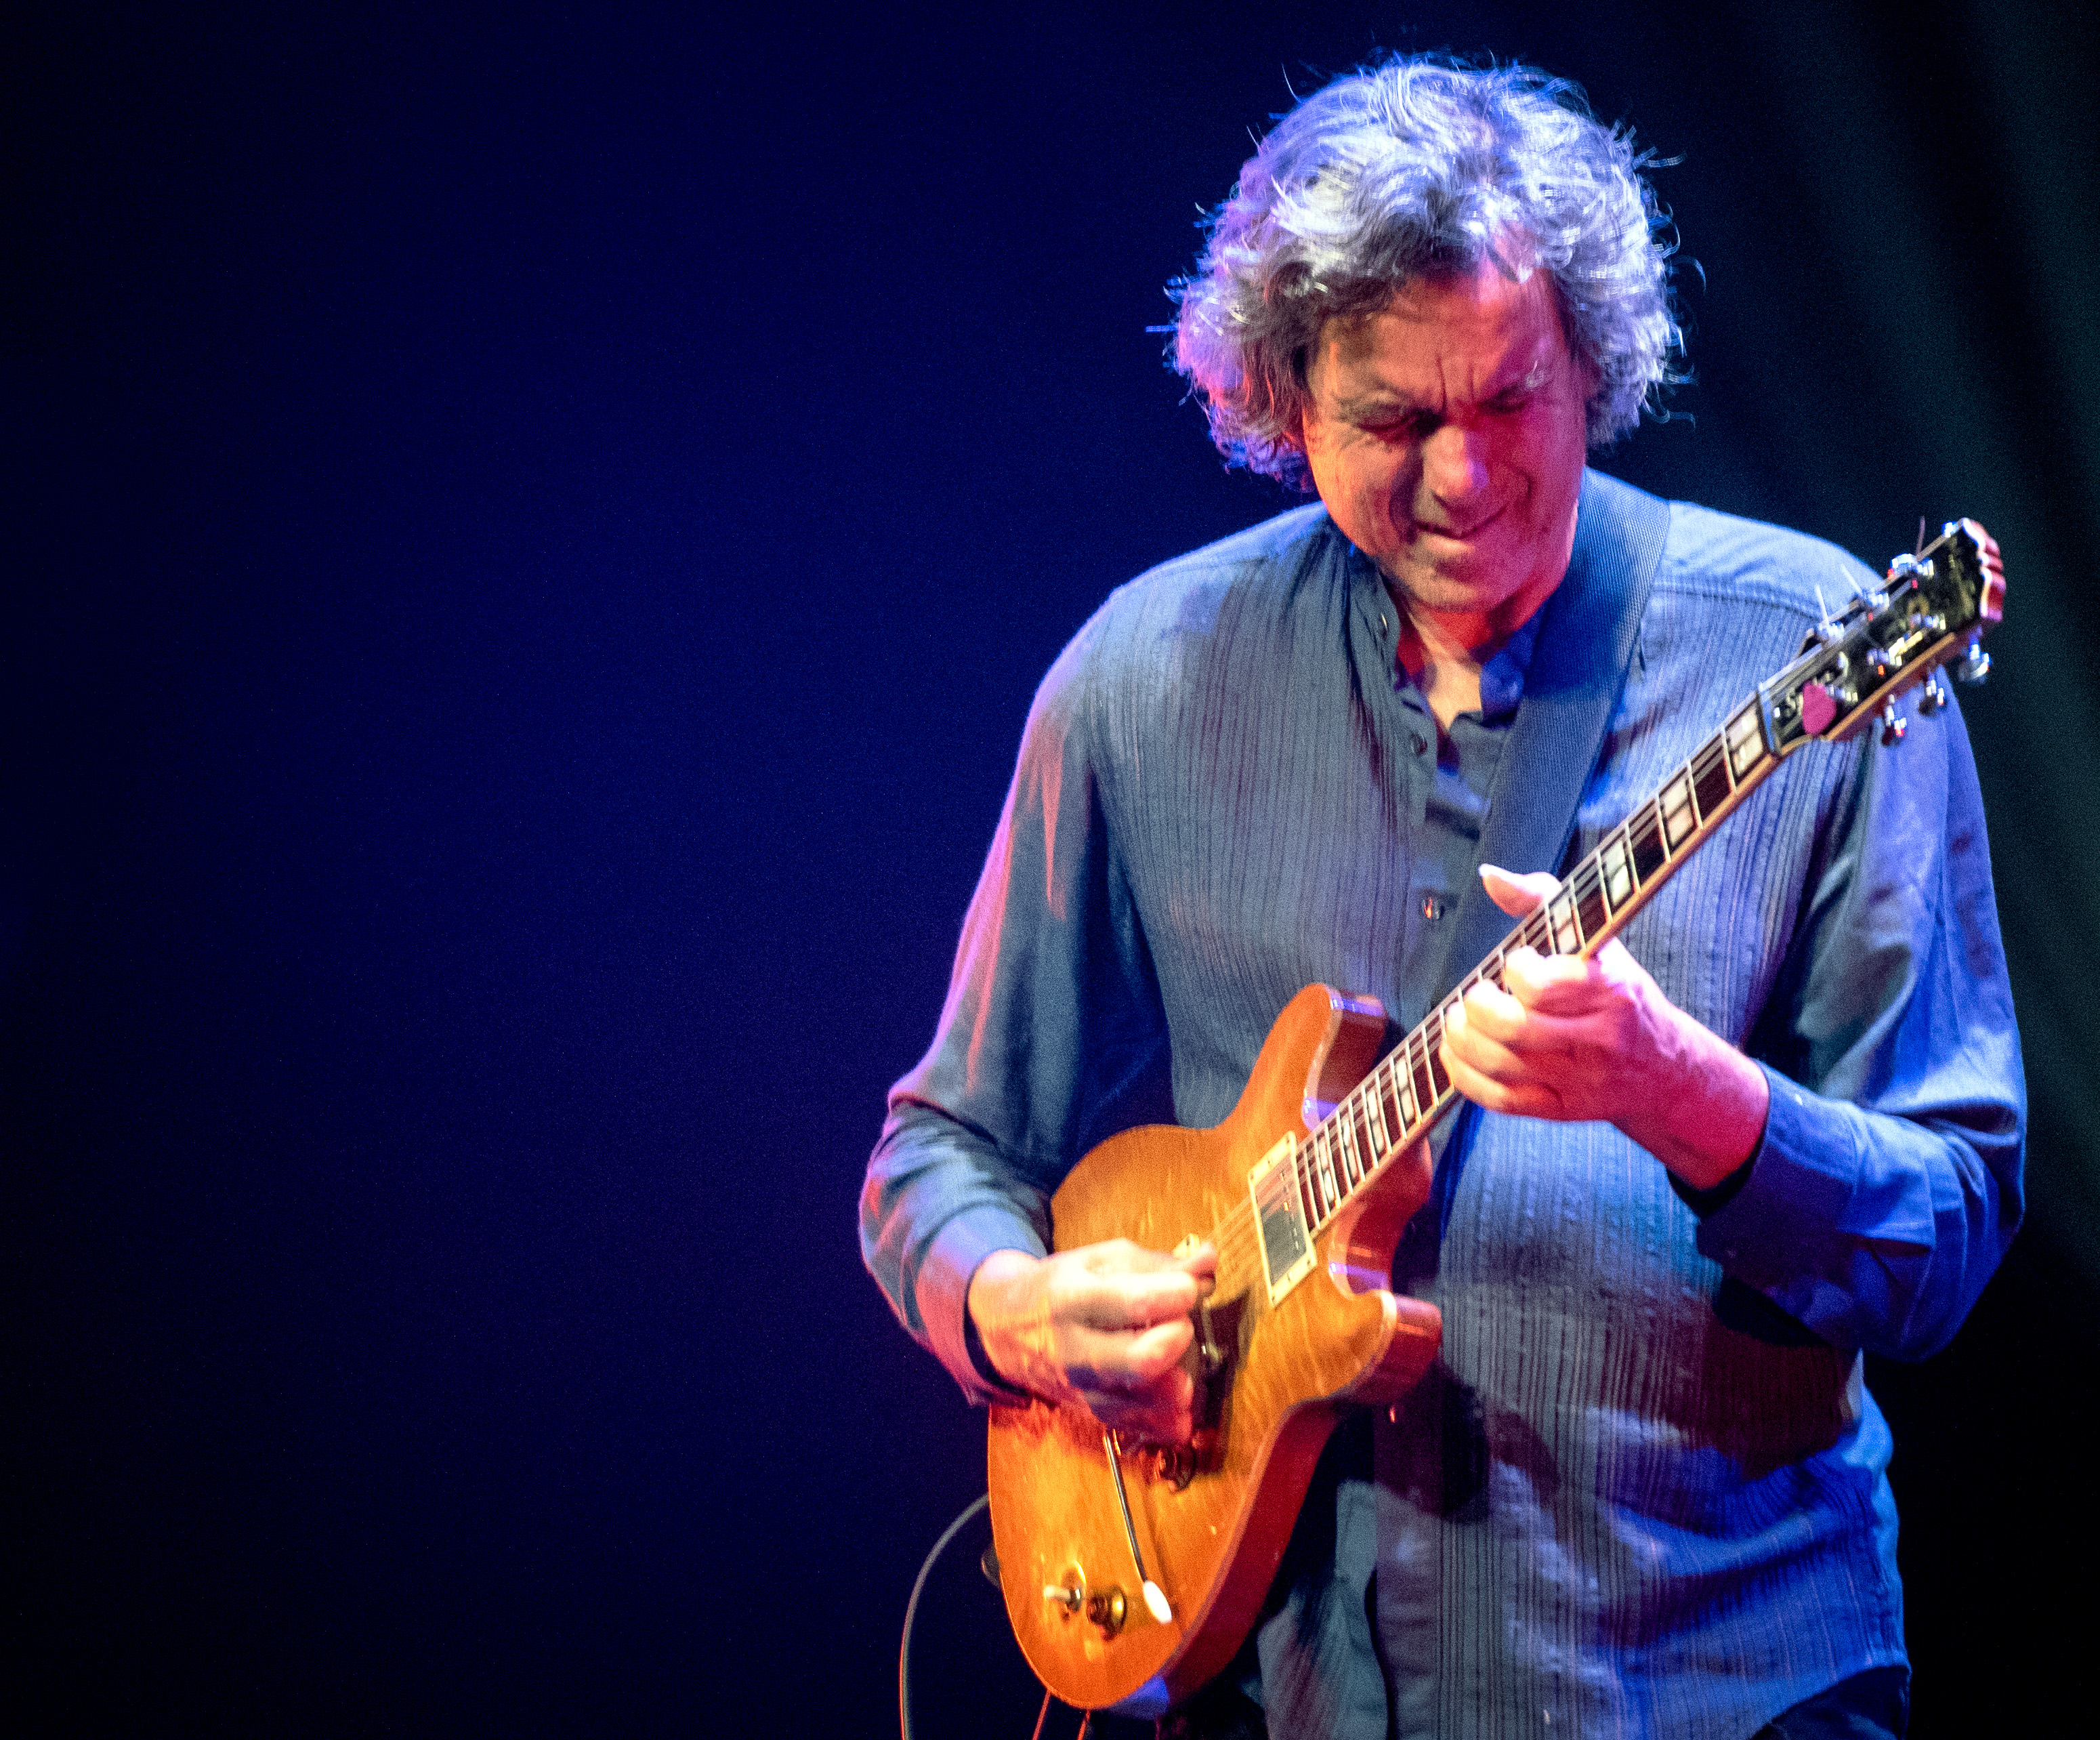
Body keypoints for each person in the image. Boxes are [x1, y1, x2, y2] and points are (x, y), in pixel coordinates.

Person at [861, 57, 2023, 1740]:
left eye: (1509, 402)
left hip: (1713, 1688)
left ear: (1590, 366)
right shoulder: (1140, 677)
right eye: (1394, 424)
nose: (1464, 481)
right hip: (1277, 1693)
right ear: (1281, 402)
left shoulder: (1804, 653)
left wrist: (1679, 1096)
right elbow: (934, 1150)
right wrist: (1012, 1306)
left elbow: (1947, 1234)